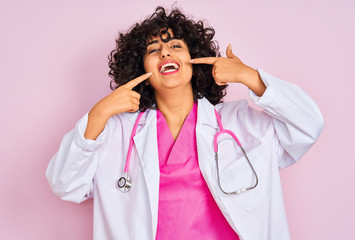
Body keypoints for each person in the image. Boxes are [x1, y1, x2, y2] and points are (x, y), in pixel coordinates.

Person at [46, 6, 324, 240]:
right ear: (140, 68)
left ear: (195, 60)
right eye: (153, 50)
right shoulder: (118, 132)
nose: (165, 53)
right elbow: (65, 184)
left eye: (176, 46)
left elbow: (308, 124)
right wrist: (99, 114)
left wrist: (250, 76)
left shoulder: (240, 123)